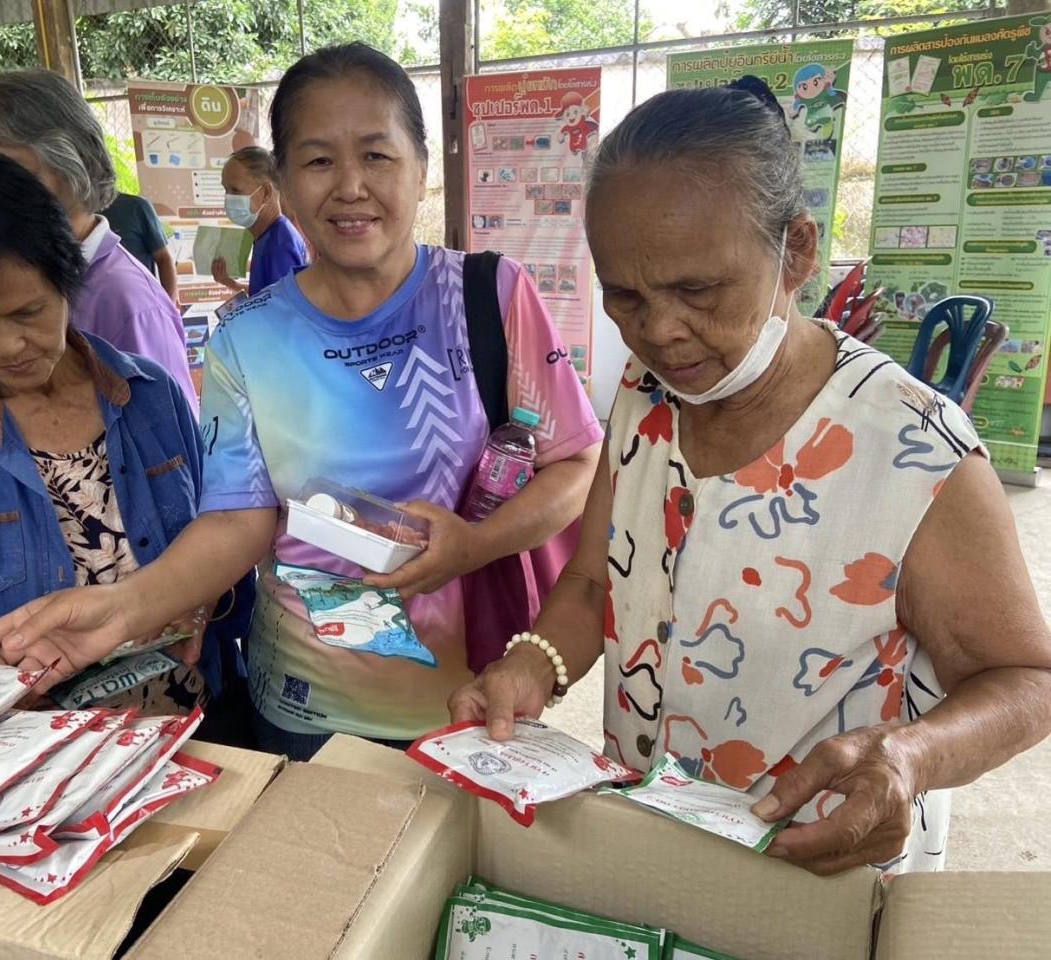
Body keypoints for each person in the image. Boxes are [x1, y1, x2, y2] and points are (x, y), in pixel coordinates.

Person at [450, 78, 1051, 876]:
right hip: (651, 839)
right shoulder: (645, 393)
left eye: (697, 290)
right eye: (624, 296)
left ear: (796, 251)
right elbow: (597, 582)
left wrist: (909, 757)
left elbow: (1025, 678)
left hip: (818, 867)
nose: (659, 331)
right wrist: (531, 664)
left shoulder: (915, 449)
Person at [0, 43, 603, 761]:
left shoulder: (491, 294)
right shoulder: (246, 337)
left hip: (472, 696)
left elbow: (576, 465)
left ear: (421, 167)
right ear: (286, 184)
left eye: (376, 155)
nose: (351, 187)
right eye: (319, 160)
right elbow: (238, 518)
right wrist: (120, 611)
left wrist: (475, 546)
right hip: (306, 708)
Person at [0, 148, 248, 731]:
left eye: (28, 312)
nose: (7, 346)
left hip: (199, 717)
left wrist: (194, 601)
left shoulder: (152, 396)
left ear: (68, 278)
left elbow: (222, 527)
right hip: (36, 743)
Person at [0, 70, 199, 417]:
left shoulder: (125, 300)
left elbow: (171, 433)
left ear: (73, 165)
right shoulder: (14, 275)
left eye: (17, 178)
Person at [212, 146, 309, 297]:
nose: (228, 198)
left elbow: (282, 307)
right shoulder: (267, 236)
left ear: (266, 192)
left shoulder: (278, 244)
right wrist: (229, 282)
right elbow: (265, 293)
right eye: (226, 189)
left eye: (236, 190)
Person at [102, 190, 179, 306]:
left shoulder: (136, 206)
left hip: (143, 304)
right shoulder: (78, 214)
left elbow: (164, 259)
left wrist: (169, 310)